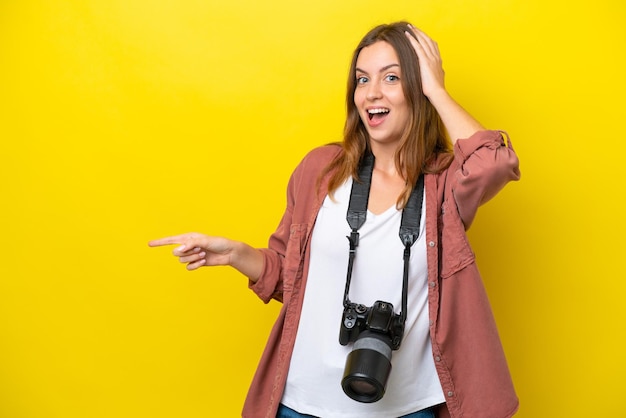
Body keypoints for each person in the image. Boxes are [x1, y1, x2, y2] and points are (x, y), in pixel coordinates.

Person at [149, 22, 520, 418]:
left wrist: (437, 90)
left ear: (418, 88)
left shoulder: (443, 185)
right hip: (302, 402)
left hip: (406, 406)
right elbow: (288, 278)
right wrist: (237, 254)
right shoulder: (319, 171)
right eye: (362, 80)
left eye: (392, 77)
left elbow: (494, 163)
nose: (372, 92)